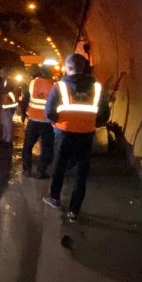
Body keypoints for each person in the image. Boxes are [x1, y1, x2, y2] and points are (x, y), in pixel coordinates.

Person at [42, 54, 109, 222]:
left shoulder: (60, 86)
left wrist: (55, 122)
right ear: (84, 67)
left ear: (68, 67)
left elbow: (49, 111)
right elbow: (104, 113)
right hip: (86, 134)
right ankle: (74, 211)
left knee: (59, 165)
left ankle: (54, 198)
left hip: (64, 132)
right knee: (81, 172)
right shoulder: (97, 87)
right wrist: (93, 124)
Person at [19, 64, 56, 179]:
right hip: (47, 122)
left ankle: (27, 170)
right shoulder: (55, 86)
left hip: (33, 121)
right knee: (47, 148)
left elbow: (26, 98)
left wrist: (23, 113)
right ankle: (41, 171)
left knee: (28, 146)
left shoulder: (33, 83)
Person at [0, 67, 19, 145]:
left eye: (2, 73)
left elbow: (8, 92)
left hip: (8, 105)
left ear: (6, 73)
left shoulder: (11, 82)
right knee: (4, 122)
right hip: (4, 105)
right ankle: (4, 138)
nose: (0, 75)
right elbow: (2, 90)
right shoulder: (4, 81)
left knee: (7, 122)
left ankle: (8, 140)